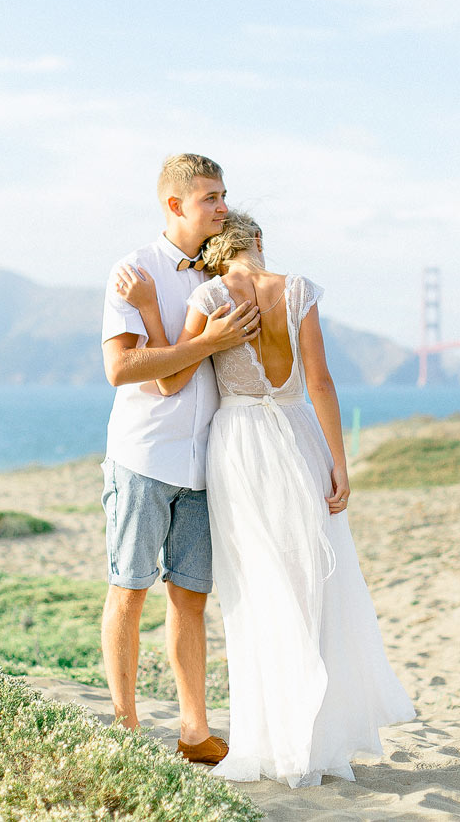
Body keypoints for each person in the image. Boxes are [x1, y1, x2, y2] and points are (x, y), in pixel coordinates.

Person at [114, 211, 415, 788]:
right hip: (301, 439)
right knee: (310, 588)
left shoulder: (209, 294)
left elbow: (173, 379)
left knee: (256, 592)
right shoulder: (298, 290)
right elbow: (321, 383)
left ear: (215, 253)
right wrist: (339, 464)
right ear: (259, 242)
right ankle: (317, 746)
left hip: (242, 447)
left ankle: (275, 743)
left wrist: (152, 310)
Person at [99, 153, 260, 766]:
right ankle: (124, 730)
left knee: (190, 598)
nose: (223, 207)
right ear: (176, 205)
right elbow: (120, 369)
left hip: (204, 464)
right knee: (129, 590)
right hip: (142, 457)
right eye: (211, 198)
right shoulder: (135, 270)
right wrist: (206, 342)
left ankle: (194, 732)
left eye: (223, 196)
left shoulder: (223, 273)